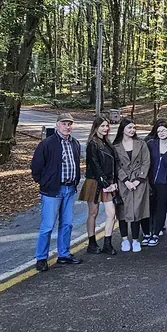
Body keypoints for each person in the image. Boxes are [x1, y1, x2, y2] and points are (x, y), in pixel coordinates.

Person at [30, 113, 83, 271]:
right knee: (47, 226)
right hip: (52, 190)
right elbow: (36, 167)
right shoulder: (47, 143)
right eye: (64, 123)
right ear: (57, 125)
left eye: (70, 124)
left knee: (67, 224)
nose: (67, 127)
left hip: (69, 189)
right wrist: (44, 182)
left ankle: (64, 254)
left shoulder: (75, 143)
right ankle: (41, 258)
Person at [79, 117, 119, 255]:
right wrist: (105, 183)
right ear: (96, 127)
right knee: (93, 213)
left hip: (107, 182)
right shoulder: (92, 143)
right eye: (102, 126)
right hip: (95, 181)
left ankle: (107, 242)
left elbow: (114, 164)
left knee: (111, 213)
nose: (105, 128)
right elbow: (94, 165)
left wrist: (112, 182)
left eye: (107, 126)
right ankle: (91, 243)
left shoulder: (107, 142)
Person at [113, 119, 151, 253]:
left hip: (139, 182)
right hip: (123, 183)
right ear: (122, 129)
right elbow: (115, 165)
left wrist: (138, 179)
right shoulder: (116, 146)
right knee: (122, 212)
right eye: (129, 128)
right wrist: (125, 180)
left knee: (137, 211)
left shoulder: (141, 144)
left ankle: (135, 240)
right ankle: (124, 239)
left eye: (134, 128)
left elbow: (146, 162)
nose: (132, 130)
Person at [146, 120, 167, 247]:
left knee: (161, 207)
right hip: (150, 181)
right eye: (159, 131)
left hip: (165, 182)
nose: (161, 133)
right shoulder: (151, 144)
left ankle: (156, 233)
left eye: (164, 130)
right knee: (150, 207)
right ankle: (148, 231)